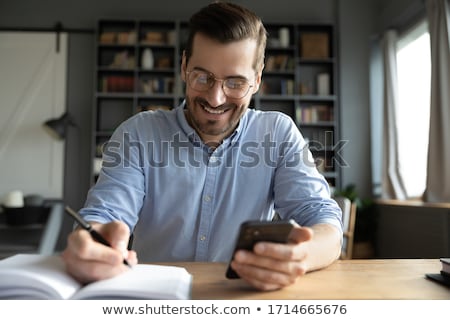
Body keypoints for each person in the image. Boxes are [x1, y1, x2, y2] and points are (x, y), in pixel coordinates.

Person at [62, 1, 343, 291]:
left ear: (257, 80)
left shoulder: (278, 133)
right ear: (184, 67)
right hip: (154, 299)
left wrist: (299, 256)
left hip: (241, 299)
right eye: (203, 77)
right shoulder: (138, 134)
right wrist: (92, 241)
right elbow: (104, 215)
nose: (216, 98)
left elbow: (323, 220)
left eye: (235, 83)